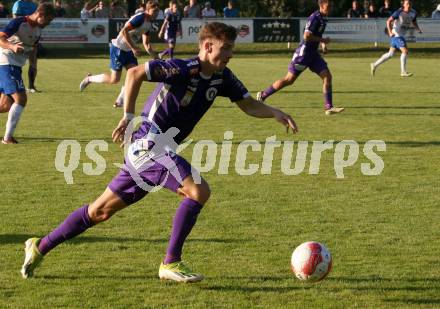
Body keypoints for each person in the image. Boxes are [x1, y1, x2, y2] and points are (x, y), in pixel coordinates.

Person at [21, 21, 298, 282]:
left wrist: (275, 112)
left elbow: (248, 104)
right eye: (225, 48)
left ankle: (39, 245)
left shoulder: (222, 77)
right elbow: (134, 73)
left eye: (232, 49)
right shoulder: (184, 68)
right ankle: (171, 262)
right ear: (208, 46)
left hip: (155, 151)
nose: (230, 55)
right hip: (147, 144)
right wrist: (128, 117)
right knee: (198, 190)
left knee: (100, 211)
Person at [257, 0, 344, 116]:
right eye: (328, 5)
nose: (330, 8)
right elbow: (306, 36)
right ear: (321, 5)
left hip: (313, 55)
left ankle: (328, 107)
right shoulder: (315, 17)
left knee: (327, 76)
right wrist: (323, 41)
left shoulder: (323, 18)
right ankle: (263, 95)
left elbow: (317, 34)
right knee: (289, 80)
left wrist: (322, 44)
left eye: (331, 5)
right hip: (303, 55)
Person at [79, 0, 160, 108]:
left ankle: (120, 100)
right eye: (154, 11)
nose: (156, 14)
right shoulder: (140, 18)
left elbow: (146, 43)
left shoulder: (149, 23)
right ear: (147, 10)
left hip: (129, 51)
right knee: (114, 79)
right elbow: (124, 31)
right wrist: (134, 48)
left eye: (157, 12)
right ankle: (89, 79)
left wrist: (156, 57)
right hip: (118, 48)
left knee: (134, 76)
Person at [0, 3, 55, 144]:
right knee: (21, 99)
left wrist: (33, 64)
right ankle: (7, 139)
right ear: (40, 15)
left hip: (15, 66)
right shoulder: (19, 22)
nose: (49, 24)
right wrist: (12, 46)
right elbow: (1, 38)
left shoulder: (38, 30)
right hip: (6, 62)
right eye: (48, 20)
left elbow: (33, 48)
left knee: (5, 105)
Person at [371, 0, 422, 77]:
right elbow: (388, 21)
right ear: (404, 5)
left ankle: (374, 65)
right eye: (407, 3)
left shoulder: (413, 12)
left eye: (410, 3)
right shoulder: (399, 12)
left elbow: (414, 21)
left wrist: (418, 28)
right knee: (405, 51)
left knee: (390, 54)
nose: (409, 5)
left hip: (400, 35)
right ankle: (403, 71)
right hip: (397, 35)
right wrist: (390, 32)